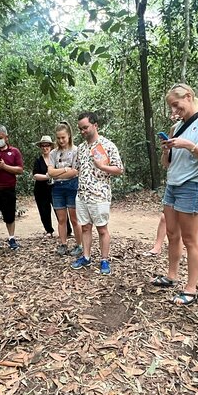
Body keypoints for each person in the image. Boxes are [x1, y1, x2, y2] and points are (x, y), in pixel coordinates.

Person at [151, 84, 198, 307]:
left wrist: (190, 146)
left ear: (189, 97)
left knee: (190, 239)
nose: (174, 110)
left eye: (176, 104)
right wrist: (166, 150)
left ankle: (191, 289)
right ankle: (171, 276)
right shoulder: (175, 128)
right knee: (172, 234)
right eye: (171, 106)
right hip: (172, 185)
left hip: (192, 186)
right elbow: (167, 164)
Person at [71, 112, 123, 275]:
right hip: (82, 195)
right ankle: (86, 257)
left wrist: (102, 167)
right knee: (85, 227)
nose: (82, 131)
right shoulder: (80, 148)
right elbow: (78, 169)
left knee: (102, 229)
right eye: (80, 129)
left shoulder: (107, 145)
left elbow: (119, 169)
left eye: (85, 127)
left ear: (95, 126)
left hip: (99, 195)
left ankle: (104, 260)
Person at [47, 122, 82, 257]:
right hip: (57, 188)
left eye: (63, 137)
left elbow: (74, 172)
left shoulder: (75, 150)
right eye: (58, 138)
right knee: (61, 219)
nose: (61, 141)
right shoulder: (53, 153)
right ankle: (63, 244)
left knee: (74, 219)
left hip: (72, 186)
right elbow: (50, 172)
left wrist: (58, 172)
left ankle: (79, 245)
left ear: (69, 136)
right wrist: (65, 169)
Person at [32, 135, 58, 237]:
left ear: (51, 146)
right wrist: (48, 176)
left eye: (47, 145)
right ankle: (49, 230)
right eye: (43, 145)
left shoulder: (56, 159)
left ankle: (67, 230)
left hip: (55, 189)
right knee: (44, 210)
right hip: (41, 189)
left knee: (59, 209)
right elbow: (35, 175)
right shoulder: (38, 161)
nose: (45, 147)